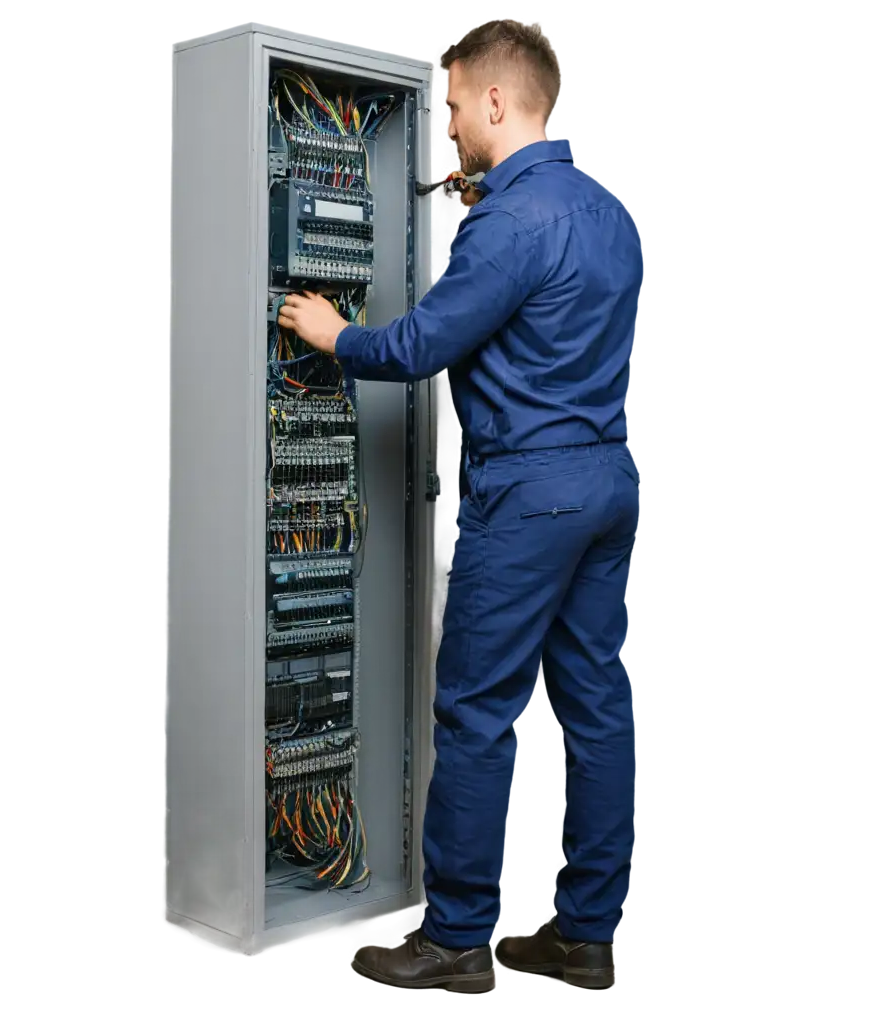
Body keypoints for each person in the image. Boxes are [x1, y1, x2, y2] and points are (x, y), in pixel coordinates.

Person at [278, 17, 644, 995]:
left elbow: (416, 348)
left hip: (529, 492)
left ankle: (455, 935)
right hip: (606, 483)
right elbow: (551, 320)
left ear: (491, 100)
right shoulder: (601, 212)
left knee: (474, 710)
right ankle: (585, 933)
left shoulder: (510, 223)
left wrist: (333, 332)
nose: (443, 131)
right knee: (597, 712)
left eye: (446, 109)